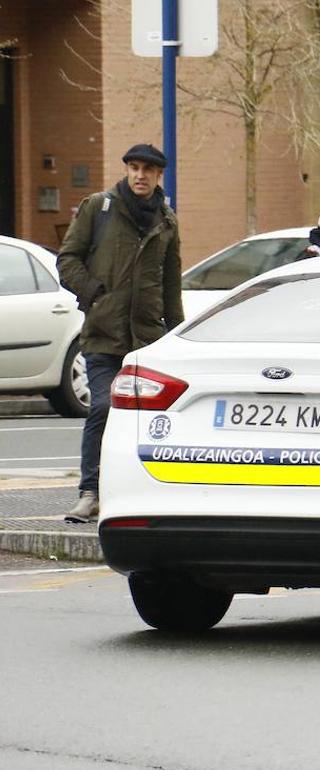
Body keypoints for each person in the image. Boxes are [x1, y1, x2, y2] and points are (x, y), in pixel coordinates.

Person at [56, 144, 183, 523]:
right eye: (134, 168)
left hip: (146, 338)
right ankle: (90, 492)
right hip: (103, 332)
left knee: (154, 419)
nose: (139, 175)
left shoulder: (166, 221)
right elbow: (67, 260)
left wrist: (175, 334)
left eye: (147, 170)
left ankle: (145, 490)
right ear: (127, 170)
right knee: (103, 407)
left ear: (159, 175)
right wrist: (94, 292)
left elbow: (170, 282)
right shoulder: (100, 208)